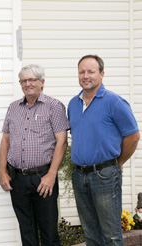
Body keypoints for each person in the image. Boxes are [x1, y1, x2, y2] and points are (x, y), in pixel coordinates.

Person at [68, 54, 140, 245]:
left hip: (105, 175)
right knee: (90, 232)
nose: (86, 76)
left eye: (91, 71)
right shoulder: (73, 104)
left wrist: (119, 162)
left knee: (111, 235)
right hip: (79, 175)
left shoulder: (114, 102)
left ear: (101, 74)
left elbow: (133, 135)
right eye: (82, 71)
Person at [0, 64, 70, 245]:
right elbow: (5, 140)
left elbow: (62, 142)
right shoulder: (13, 108)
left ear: (42, 82)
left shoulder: (54, 106)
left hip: (43, 178)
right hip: (18, 179)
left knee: (48, 233)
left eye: (32, 79)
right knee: (27, 232)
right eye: (24, 80)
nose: (28, 84)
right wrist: (2, 171)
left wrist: (51, 175)